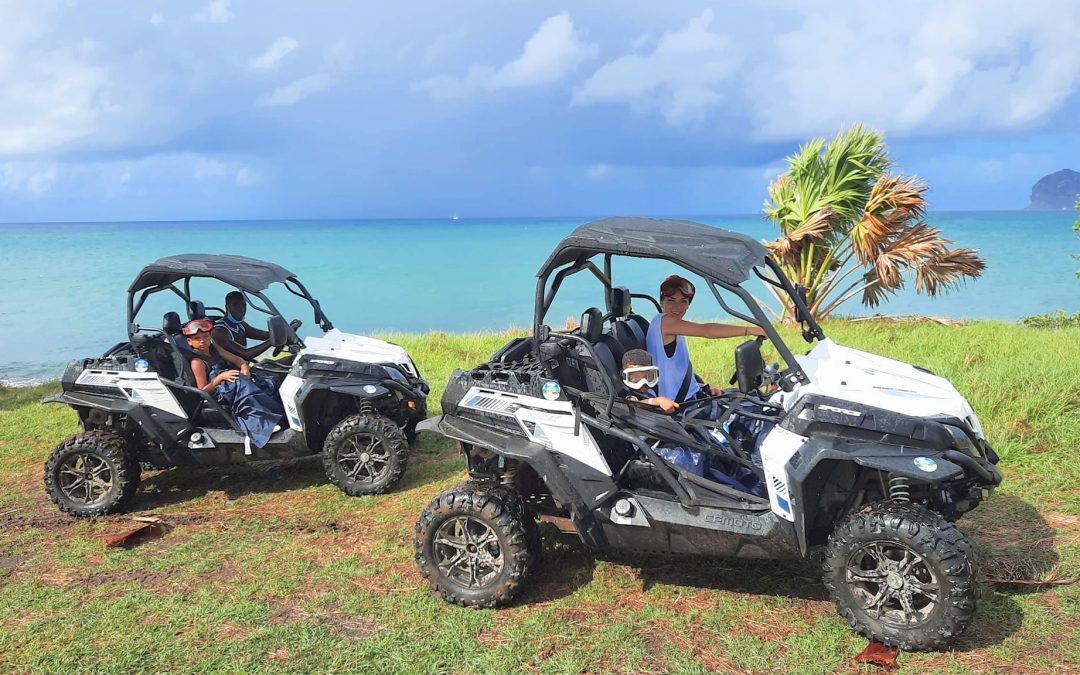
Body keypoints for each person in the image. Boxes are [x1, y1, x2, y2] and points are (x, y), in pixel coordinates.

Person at [646, 274, 766, 402]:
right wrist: (751, 330)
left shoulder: (673, 326)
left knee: (750, 398)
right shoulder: (665, 322)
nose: (677, 307)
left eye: (683, 301)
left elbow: (672, 372)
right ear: (661, 302)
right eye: (671, 300)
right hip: (681, 406)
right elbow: (708, 330)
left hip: (691, 396)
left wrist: (703, 387)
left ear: (688, 305)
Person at [182, 319, 284, 450]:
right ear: (190, 342)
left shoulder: (215, 348)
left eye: (205, 336)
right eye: (197, 338)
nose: (202, 341)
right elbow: (203, 391)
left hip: (232, 381)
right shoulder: (197, 362)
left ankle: (279, 417)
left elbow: (237, 359)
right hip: (219, 392)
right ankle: (262, 427)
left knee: (266, 380)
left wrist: (244, 367)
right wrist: (220, 378)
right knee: (243, 386)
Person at [212, 291, 301, 362]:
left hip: (245, 369)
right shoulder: (219, 331)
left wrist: (289, 329)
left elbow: (264, 335)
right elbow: (245, 354)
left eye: (244, 306)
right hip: (230, 374)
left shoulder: (241, 325)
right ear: (227, 307)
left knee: (293, 361)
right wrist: (272, 341)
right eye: (236, 305)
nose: (241, 310)